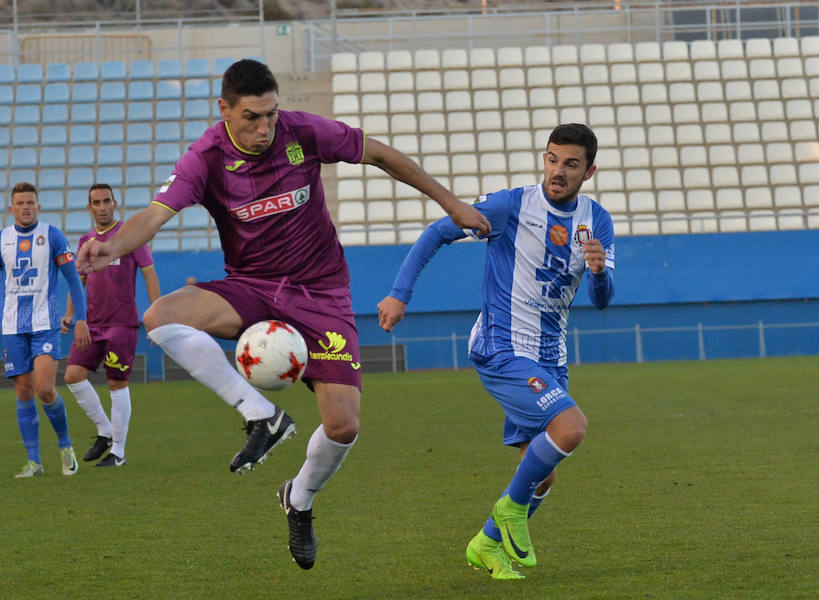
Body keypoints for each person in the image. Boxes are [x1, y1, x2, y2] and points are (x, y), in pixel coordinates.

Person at [77, 59, 490, 568]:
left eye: (270, 114)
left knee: (343, 427)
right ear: (224, 109)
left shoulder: (302, 132)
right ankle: (261, 415)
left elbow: (380, 153)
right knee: (162, 316)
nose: (263, 128)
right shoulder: (205, 157)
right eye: (251, 117)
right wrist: (111, 247)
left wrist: (451, 204)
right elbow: (155, 216)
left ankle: (299, 499)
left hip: (321, 292)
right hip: (251, 287)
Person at [378, 124, 615, 580]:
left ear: (589, 170)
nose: (557, 171)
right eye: (551, 159)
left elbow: (602, 300)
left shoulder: (596, 219)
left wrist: (600, 272)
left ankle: (485, 543)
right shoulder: (512, 205)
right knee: (571, 427)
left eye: (570, 164)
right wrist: (398, 293)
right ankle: (509, 511)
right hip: (501, 346)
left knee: (543, 473)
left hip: (550, 356)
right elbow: (438, 232)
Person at [61, 184, 160, 467]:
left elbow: (149, 275)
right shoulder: (85, 241)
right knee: (72, 376)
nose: (102, 206)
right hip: (91, 324)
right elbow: (77, 281)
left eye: (106, 201)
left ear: (115, 204)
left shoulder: (130, 237)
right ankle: (105, 431)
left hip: (121, 324)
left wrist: (157, 315)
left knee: (116, 383)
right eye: (96, 202)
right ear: (89, 207)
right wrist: (70, 314)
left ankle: (118, 452)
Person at [2, 182, 90, 478]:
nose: (25, 207)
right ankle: (34, 462)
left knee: (44, 389)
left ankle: (65, 447)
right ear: (11, 208)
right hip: (12, 326)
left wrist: (81, 317)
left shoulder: (52, 236)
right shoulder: (2, 239)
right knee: (23, 390)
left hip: (45, 324)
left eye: (30, 202)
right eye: (20, 203)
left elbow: (73, 279)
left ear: (38, 207)